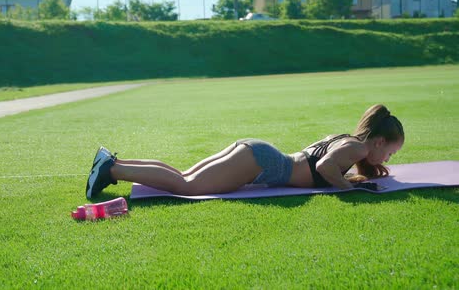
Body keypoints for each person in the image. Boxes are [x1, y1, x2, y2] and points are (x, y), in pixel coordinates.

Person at [85, 104, 404, 198]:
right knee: (188, 187)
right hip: (260, 161)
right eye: (389, 153)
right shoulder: (354, 147)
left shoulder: (346, 140)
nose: (387, 159)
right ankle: (112, 169)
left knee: (185, 177)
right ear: (378, 142)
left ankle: (114, 162)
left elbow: (328, 163)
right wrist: (349, 189)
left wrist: (355, 179)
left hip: (256, 152)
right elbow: (324, 169)